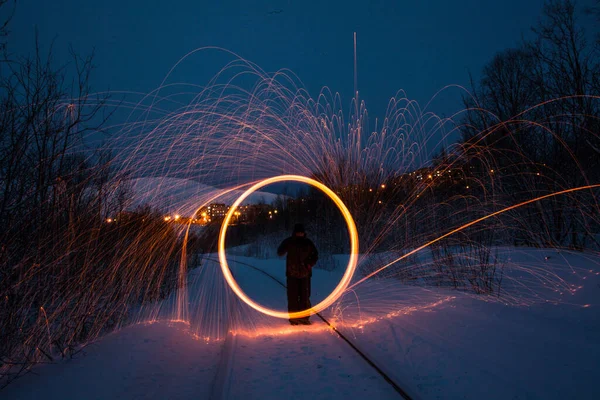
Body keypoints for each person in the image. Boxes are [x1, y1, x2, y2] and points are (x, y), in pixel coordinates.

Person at [277, 223, 318, 325]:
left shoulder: (308, 243)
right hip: (292, 275)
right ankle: (294, 318)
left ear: (304, 233)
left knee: (305, 297)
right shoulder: (289, 242)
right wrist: (283, 247)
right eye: (298, 232)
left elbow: (315, 255)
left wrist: (309, 264)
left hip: (305, 275)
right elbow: (279, 252)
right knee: (293, 297)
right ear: (295, 233)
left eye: (301, 232)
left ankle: (304, 318)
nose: (300, 234)